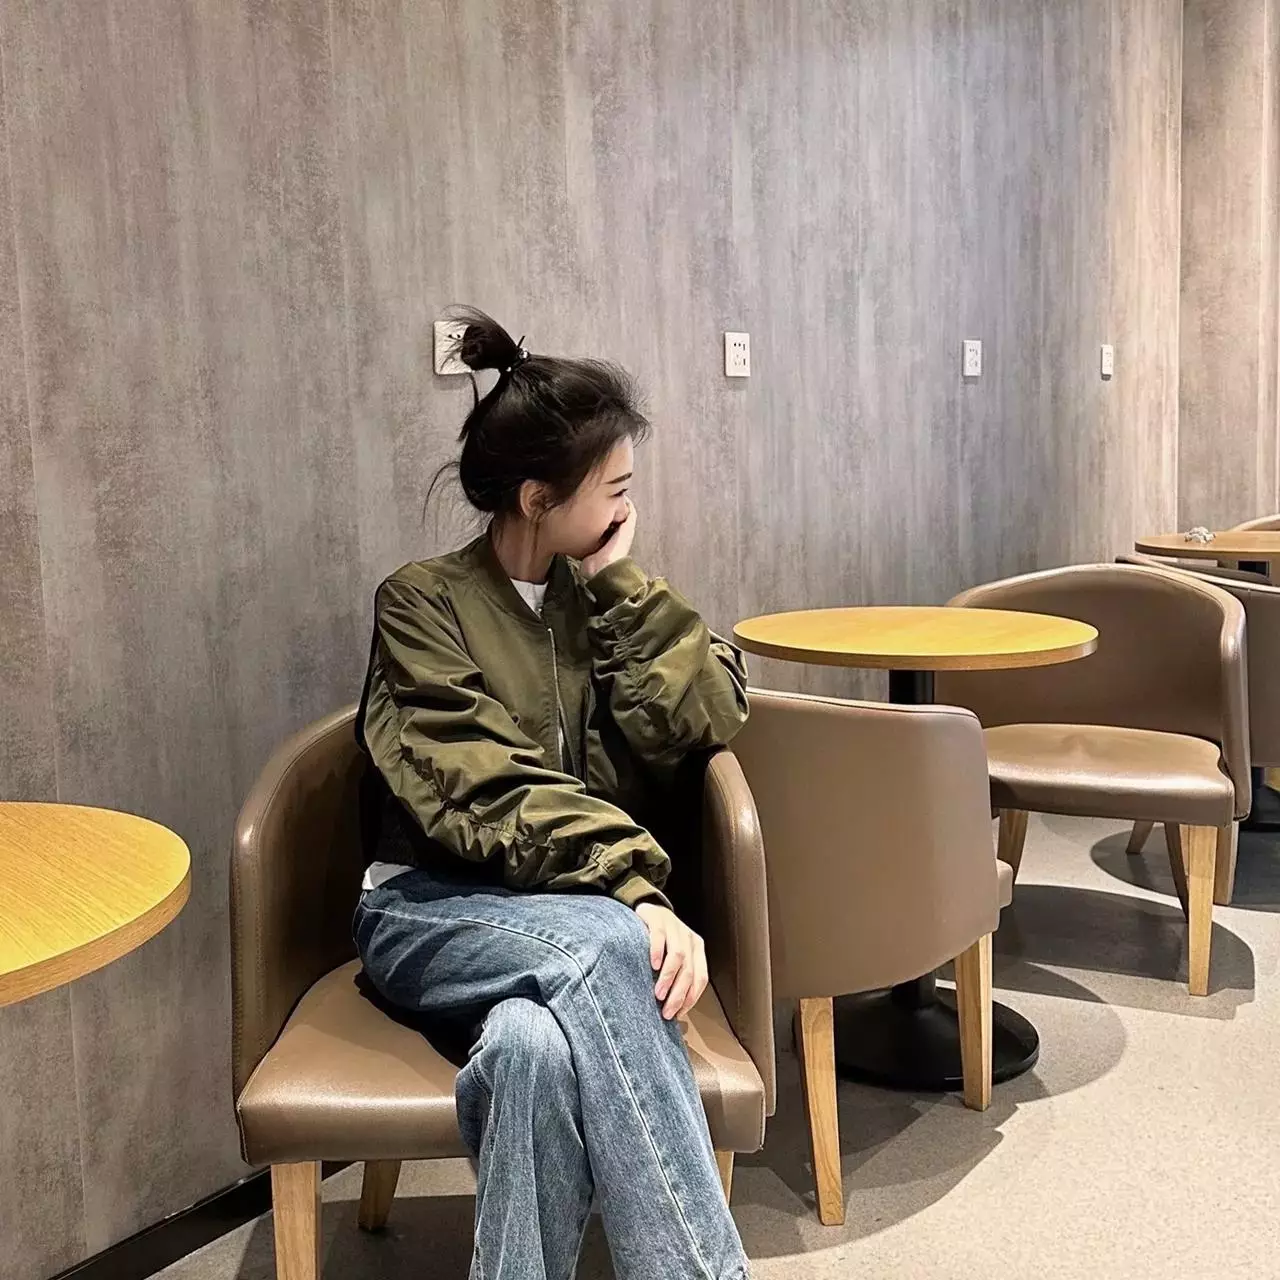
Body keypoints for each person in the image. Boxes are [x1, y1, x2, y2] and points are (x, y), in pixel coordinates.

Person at [352, 308, 753, 1280]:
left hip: (568, 926)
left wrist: (619, 582)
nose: (627, 508)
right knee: (613, 943)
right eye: (613, 491)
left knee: (529, 1049)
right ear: (538, 497)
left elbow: (707, 714)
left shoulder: (598, 602)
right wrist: (636, 888)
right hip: (428, 909)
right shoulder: (420, 603)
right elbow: (485, 786)